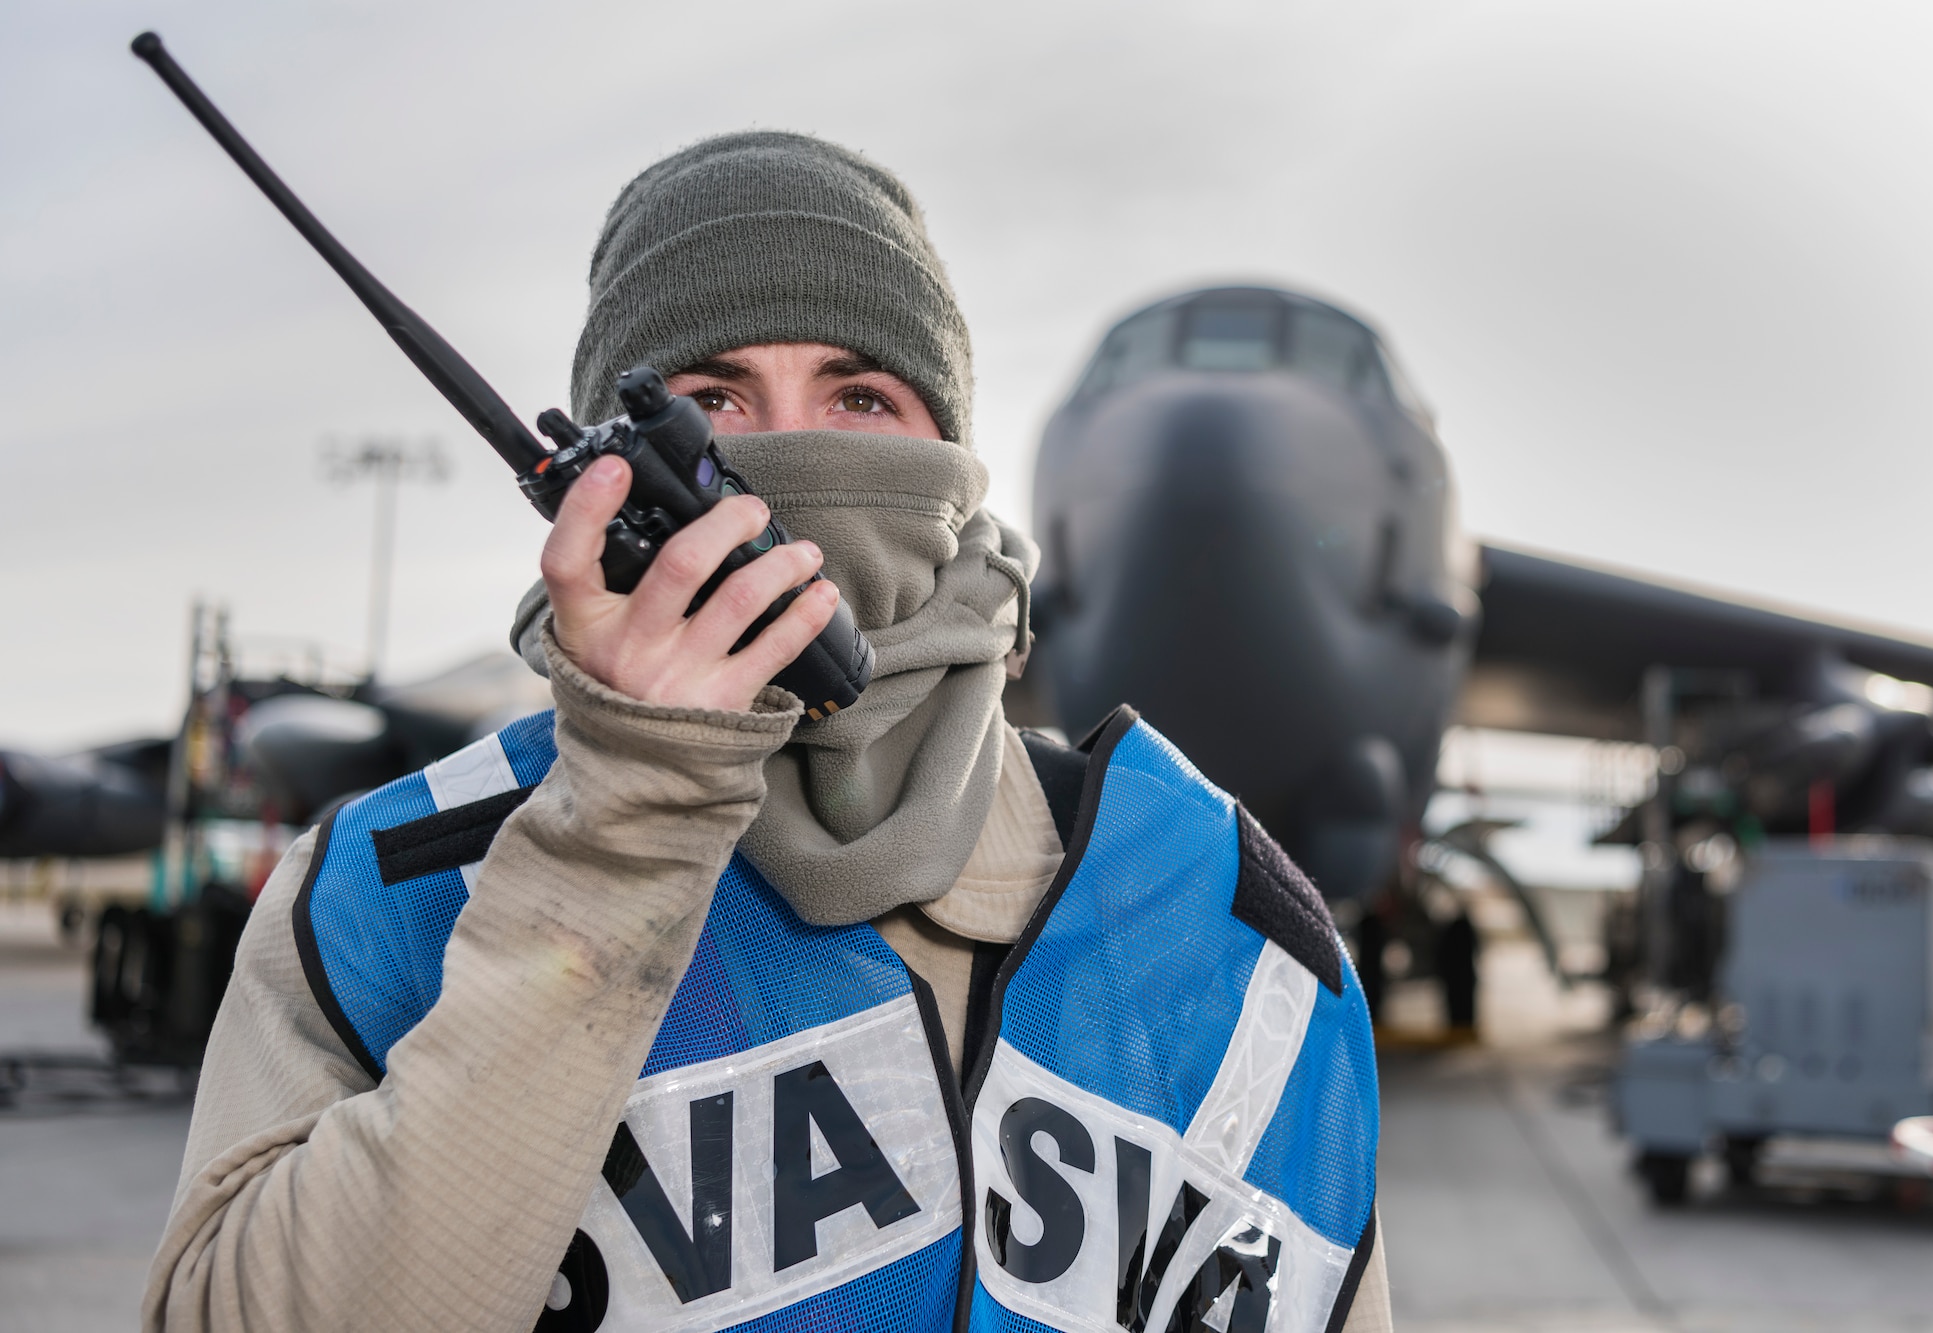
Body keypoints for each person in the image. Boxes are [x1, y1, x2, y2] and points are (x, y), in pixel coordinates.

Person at [144, 130, 1391, 1333]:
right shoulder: (389, 894)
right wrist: (614, 834)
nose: (787, 448)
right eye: (710, 403)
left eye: (859, 394)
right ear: (596, 476)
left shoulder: (1231, 926)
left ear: (952, 458)